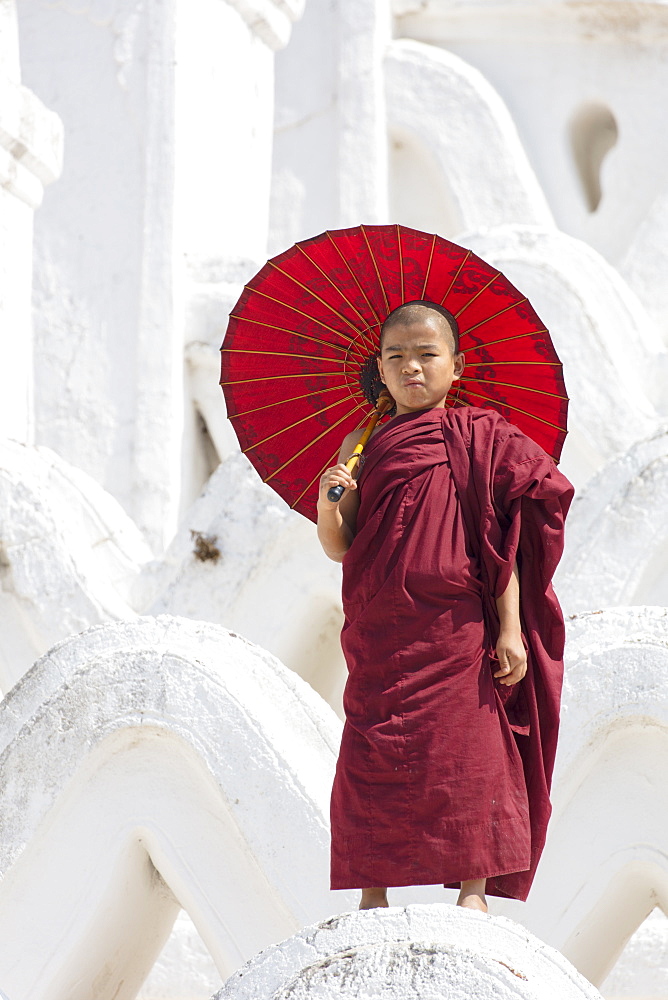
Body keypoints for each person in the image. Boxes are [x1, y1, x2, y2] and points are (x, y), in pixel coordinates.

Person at [316, 300, 574, 912]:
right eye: (396, 357)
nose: (412, 368)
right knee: (369, 754)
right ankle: (371, 892)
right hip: (380, 628)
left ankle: (473, 890)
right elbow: (339, 545)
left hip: (457, 624)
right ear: (378, 368)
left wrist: (509, 629)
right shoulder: (362, 441)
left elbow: (503, 538)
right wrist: (332, 502)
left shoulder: (478, 435)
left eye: (427, 355)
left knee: (470, 751)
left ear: (455, 366)